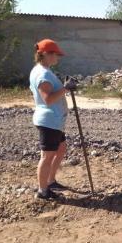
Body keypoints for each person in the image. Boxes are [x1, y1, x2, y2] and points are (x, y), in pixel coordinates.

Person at [29, 39, 77, 200]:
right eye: (56, 54)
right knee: (47, 156)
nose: (58, 57)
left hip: (55, 121)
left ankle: (50, 181)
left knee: (61, 149)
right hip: (49, 121)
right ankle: (43, 191)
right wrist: (66, 88)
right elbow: (47, 99)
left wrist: (64, 86)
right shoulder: (43, 74)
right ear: (46, 54)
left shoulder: (43, 70)